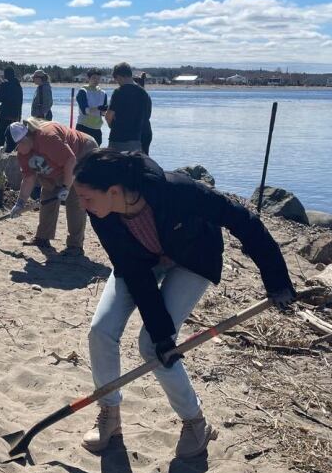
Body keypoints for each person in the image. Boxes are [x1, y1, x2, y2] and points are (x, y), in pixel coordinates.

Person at [72, 149, 296, 457]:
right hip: (141, 261)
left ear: (113, 191)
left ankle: (195, 422)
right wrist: (161, 329)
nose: (80, 204)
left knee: (152, 346)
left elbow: (242, 220)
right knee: (101, 330)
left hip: (192, 257)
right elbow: (136, 274)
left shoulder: (177, 190)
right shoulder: (102, 213)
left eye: (86, 197)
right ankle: (110, 413)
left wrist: (277, 280)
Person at [8, 118, 97, 255]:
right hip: (60, 165)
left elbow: (70, 160)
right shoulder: (23, 154)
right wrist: (20, 203)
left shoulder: (46, 138)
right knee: (48, 193)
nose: (17, 152)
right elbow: (28, 178)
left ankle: (75, 245)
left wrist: (66, 187)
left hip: (82, 151)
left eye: (16, 147)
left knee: (74, 198)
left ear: (24, 140)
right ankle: (43, 238)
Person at [106, 62, 147, 152]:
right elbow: (146, 116)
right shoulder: (143, 92)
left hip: (118, 139)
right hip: (135, 139)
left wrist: (110, 125)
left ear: (119, 77)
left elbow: (109, 116)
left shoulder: (118, 92)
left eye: (117, 80)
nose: (118, 83)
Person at [0, 66, 23, 153]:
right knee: (12, 137)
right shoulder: (18, 86)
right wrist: (19, 117)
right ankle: (10, 154)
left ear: (5, 75)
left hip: (5, 115)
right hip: (15, 116)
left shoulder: (4, 85)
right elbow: (20, 102)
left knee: (0, 136)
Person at [75, 69, 108, 145]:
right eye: (94, 78)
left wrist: (105, 111)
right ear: (88, 78)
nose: (96, 80)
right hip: (83, 127)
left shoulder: (103, 93)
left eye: (98, 78)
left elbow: (103, 114)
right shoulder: (83, 91)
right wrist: (99, 108)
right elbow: (85, 111)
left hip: (97, 128)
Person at [133, 71, 153, 153]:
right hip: (147, 130)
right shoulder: (146, 96)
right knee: (145, 156)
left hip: (138, 132)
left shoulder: (136, 97)